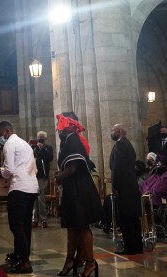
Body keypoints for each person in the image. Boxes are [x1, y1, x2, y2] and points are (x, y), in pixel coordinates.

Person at [53, 113, 102, 277]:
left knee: (82, 227)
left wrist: (59, 176)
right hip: (73, 188)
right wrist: (60, 175)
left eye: (60, 125)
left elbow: (73, 168)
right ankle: (70, 260)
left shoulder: (73, 140)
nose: (58, 129)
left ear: (67, 126)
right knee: (72, 228)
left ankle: (90, 262)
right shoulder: (68, 140)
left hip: (80, 189)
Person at [0, 121, 38, 274]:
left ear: (6, 131)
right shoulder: (25, 144)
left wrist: (0, 172)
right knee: (25, 225)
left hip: (19, 188)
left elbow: (9, 170)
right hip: (32, 187)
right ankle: (19, 255)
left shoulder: (9, 144)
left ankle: (26, 263)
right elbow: (33, 166)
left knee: (16, 225)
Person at [109, 123, 143, 255]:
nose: (112, 132)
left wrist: (115, 186)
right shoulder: (127, 144)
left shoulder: (120, 145)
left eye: (113, 130)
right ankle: (137, 246)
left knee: (126, 217)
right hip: (130, 184)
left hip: (123, 186)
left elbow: (117, 167)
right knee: (133, 217)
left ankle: (130, 247)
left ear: (118, 131)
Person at [32, 130, 53, 229]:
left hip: (42, 176)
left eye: (42, 137)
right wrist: (37, 148)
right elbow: (33, 157)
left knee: (40, 198)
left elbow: (50, 158)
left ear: (45, 139)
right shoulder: (34, 148)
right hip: (33, 176)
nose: (40, 139)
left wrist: (42, 149)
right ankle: (35, 220)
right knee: (34, 198)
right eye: (38, 137)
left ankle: (43, 220)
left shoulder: (48, 148)